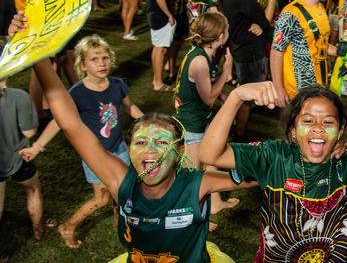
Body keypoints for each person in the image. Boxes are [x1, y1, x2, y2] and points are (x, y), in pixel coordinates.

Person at [25, 54, 246, 261]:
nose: (150, 150)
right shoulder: (120, 180)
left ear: (179, 153)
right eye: (140, 142)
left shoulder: (198, 184)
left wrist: (235, 98)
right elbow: (70, 123)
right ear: (129, 151)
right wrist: (39, 54)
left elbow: (266, 170)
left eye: (161, 142)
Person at [199, 79, 347, 262]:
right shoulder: (274, 156)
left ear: (340, 131)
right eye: (307, 121)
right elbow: (210, 154)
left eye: (328, 122)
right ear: (292, 131)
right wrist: (236, 98)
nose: (318, 128)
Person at [21, 35, 143, 248]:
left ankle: (120, 221)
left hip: (119, 148)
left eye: (105, 58)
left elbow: (129, 107)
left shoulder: (117, 84)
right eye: (95, 59)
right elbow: (60, 122)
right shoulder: (77, 93)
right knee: (101, 199)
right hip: (94, 155)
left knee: (123, 187)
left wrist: (148, 124)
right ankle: (68, 226)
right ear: (82, 64)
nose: (102, 63)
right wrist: (38, 146)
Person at [174, 12, 239, 228]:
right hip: (191, 123)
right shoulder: (200, 61)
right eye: (227, 29)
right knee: (192, 174)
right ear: (221, 36)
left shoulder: (206, 53)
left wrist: (221, 93)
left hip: (201, 117)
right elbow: (208, 98)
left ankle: (216, 202)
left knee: (214, 156)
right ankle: (192, 218)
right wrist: (226, 72)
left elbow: (207, 90)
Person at [221, 0, 277, 138]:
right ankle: (240, 135)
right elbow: (266, 22)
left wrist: (259, 24)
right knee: (246, 97)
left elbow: (259, 23)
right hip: (249, 52)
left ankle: (237, 130)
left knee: (243, 91)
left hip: (239, 48)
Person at [270, 0, 337, 107]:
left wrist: (338, 51)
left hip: (320, 86)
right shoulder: (291, 13)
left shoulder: (320, 7)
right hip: (298, 92)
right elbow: (276, 51)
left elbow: (318, 43)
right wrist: (278, 88)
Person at [0, 42, 42, 241]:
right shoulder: (19, 97)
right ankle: (38, 232)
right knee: (32, 190)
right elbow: (29, 132)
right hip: (19, 157)